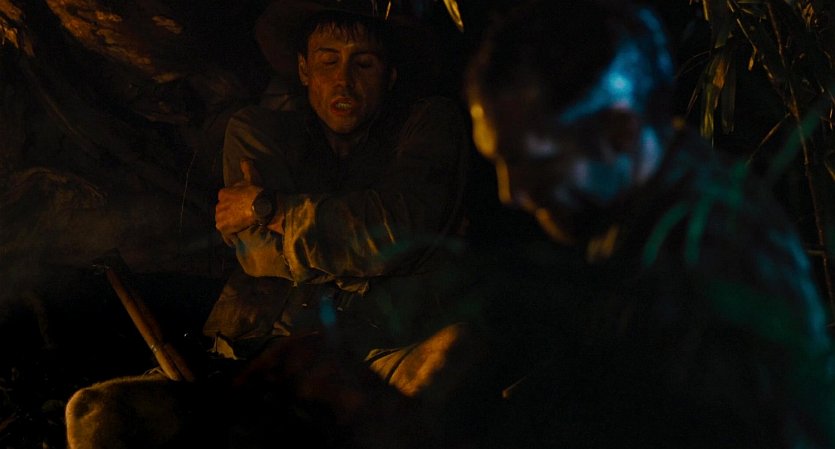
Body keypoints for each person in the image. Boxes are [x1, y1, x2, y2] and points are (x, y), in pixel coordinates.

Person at [64, 1, 475, 447]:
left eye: (364, 64)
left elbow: (397, 233)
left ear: (390, 76)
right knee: (101, 414)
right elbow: (258, 254)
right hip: (255, 347)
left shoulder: (428, 124)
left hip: (383, 349)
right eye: (328, 61)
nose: (344, 80)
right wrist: (357, 247)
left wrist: (271, 209)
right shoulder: (260, 133)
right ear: (304, 70)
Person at [461, 0, 835, 448]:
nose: (511, 193)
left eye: (534, 161)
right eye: (498, 162)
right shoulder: (649, 203)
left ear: (619, 131)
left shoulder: (701, 258)